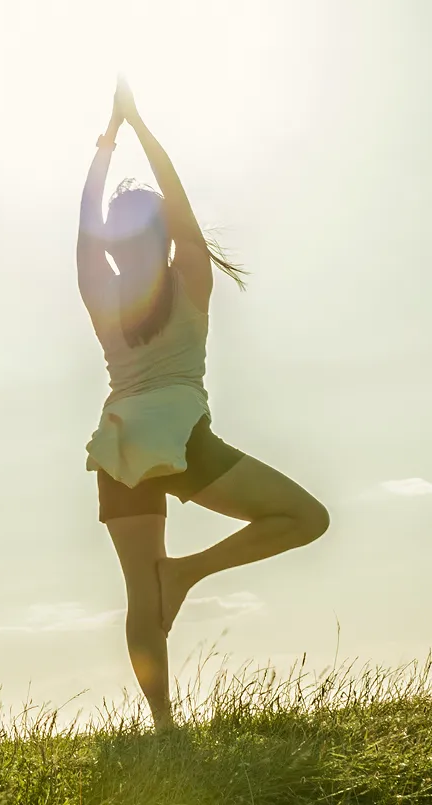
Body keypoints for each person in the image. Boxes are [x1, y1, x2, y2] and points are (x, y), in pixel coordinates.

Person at [77, 79, 331, 731]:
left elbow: (85, 226)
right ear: (163, 232)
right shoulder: (189, 275)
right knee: (307, 517)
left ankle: (164, 728)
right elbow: (182, 209)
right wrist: (139, 126)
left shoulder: (101, 291)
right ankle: (188, 572)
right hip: (182, 438)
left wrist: (107, 140)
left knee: (140, 594)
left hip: (119, 446)